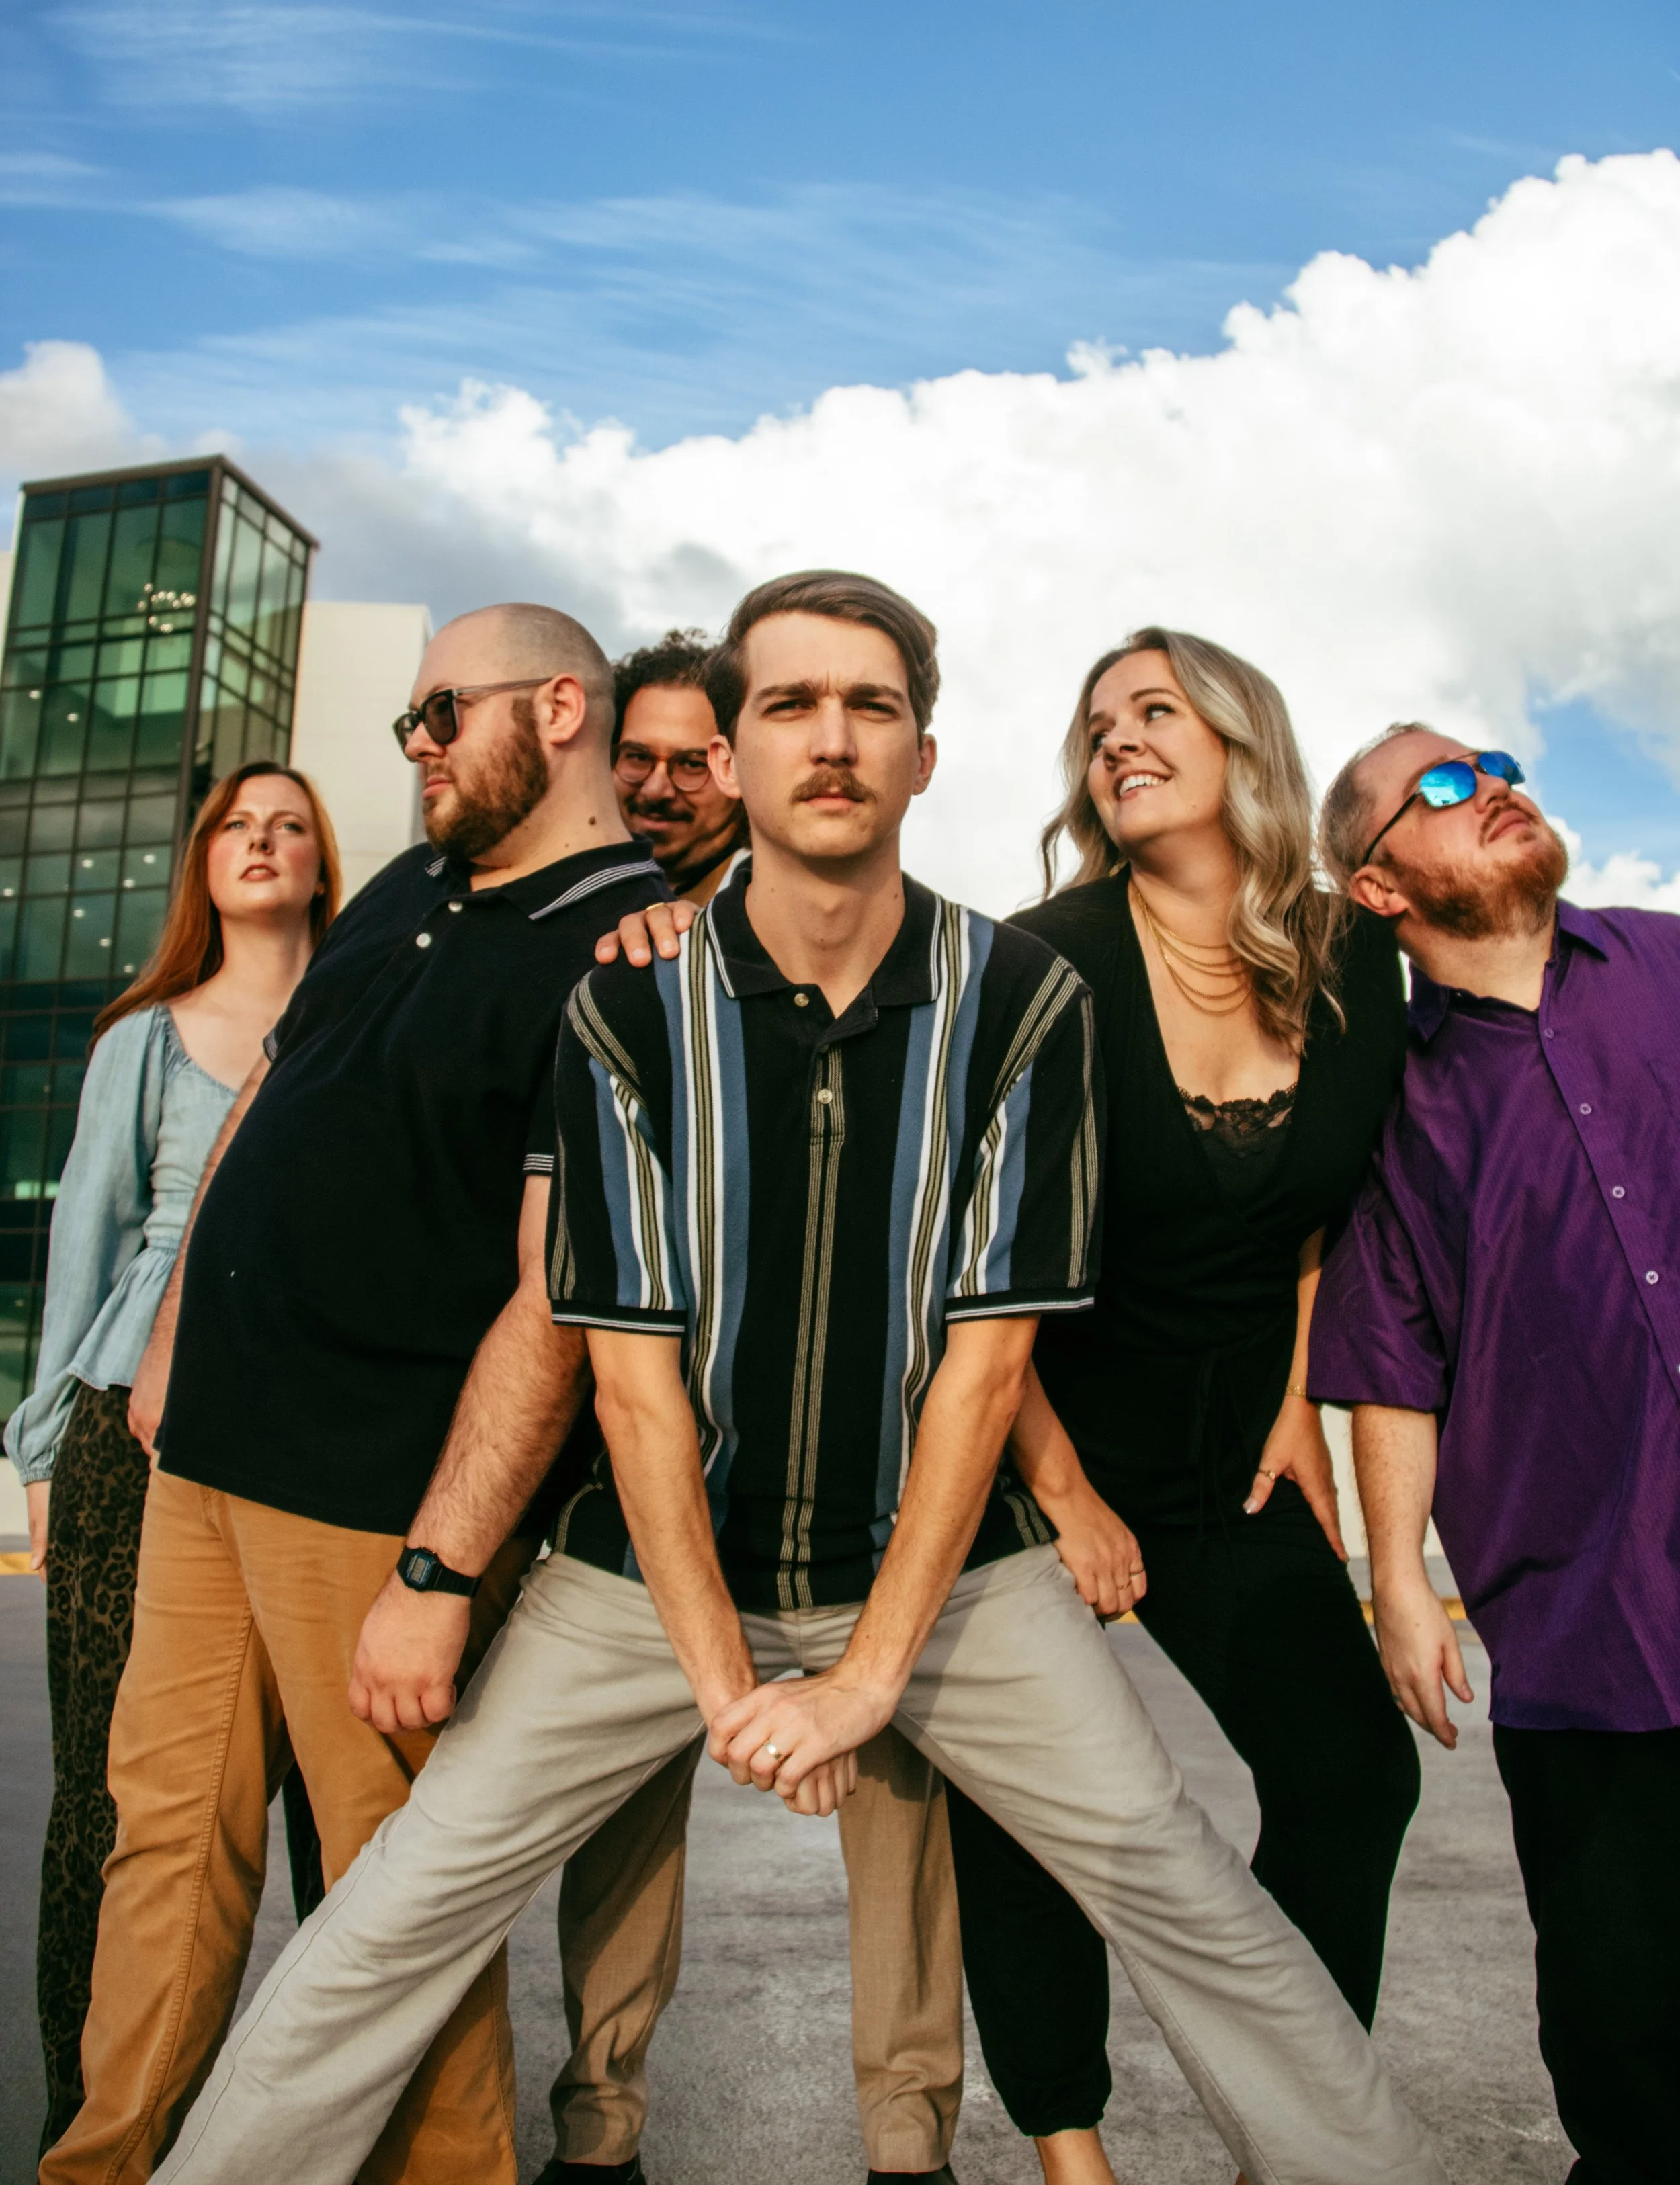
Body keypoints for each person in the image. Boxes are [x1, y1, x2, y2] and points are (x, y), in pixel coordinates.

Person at [152, 572, 1444, 2185]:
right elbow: (630, 1386)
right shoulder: (624, 996)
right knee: (400, 1904)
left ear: (922, 756)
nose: (831, 740)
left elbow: (982, 1373)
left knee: (1182, 1884)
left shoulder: (1020, 997)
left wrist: (860, 1674)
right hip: (646, 1579)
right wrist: (727, 1685)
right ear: (735, 758)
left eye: (872, 705)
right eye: (789, 704)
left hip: (947, 1566)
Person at [607, 626, 1425, 2185]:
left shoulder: (1349, 952)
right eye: (1098, 721)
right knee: (1031, 1804)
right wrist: (1064, 1487)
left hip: (1240, 1456)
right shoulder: (1040, 961)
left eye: (1158, 710)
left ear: (1244, 745)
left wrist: (1306, 1392)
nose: (1118, 737)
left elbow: (1353, 1192)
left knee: (1351, 1773)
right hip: (1032, 1431)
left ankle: (1303, 2123)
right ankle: (1067, 2139)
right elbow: (954, 1262)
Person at [41, 605, 667, 2185]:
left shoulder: (626, 944)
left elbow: (556, 1292)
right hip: (208, 1450)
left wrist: (439, 1567)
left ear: (561, 706)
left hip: (368, 1490)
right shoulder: (411, 884)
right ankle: (104, 2162)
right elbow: (266, 1082)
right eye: (406, 721)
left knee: (394, 1899)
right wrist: (176, 1325)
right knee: (160, 1841)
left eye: (440, 712)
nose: (416, 747)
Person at [555, 632, 966, 2184]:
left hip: (855, 1483)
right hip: (626, 1475)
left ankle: (907, 2143)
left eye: (687, 755)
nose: (660, 782)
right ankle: (598, 2134)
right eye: (636, 758)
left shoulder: (837, 931)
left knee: (903, 1791)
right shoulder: (603, 938)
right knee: (620, 1816)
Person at [1308, 723, 1680, 2185]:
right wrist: (1395, 1578)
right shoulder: (1389, 1106)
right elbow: (1392, 1359)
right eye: (1442, 788)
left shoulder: (1665, 961)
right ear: (1378, 884)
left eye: (1493, 760)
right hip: (1590, 1625)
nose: (1492, 784)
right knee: (1622, 2024)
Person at [5, 763, 341, 2155]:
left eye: (288, 827)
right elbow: (81, 1247)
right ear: (204, 867)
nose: (260, 844)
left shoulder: (362, 1009)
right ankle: (93, 2120)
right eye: (234, 831)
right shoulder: (141, 1038)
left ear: (325, 862)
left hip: (316, 1433)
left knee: (336, 1802)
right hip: (126, 1434)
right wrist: (37, 1448)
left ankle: (341, 2115)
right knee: (114, 1789)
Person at [611, 628, 747, 903]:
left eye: (690, 764)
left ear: (737, 768)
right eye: (638, 757)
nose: (655, 790)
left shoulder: (771, 908)